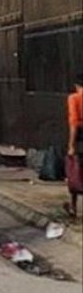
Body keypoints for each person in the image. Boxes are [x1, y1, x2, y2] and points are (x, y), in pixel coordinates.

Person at [66, 73, 83, 220]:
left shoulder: (74, 98)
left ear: (77, 85)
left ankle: (73, 207)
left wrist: (71, 145)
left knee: (75, 173)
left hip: (80, 139)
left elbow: (74, 123)